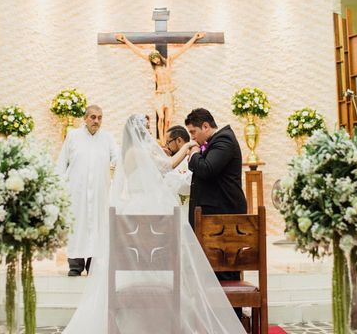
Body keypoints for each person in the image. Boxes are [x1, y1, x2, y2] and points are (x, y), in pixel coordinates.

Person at [62, 114, 245, 333]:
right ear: (140, 132)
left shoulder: (129, 153)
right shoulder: (141, 152)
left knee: (140, 262)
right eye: (147, 129)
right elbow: (167, 166)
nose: (150, 133)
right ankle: (163, 318)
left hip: (134, 208)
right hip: (151, 209)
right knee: (165, 260)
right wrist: (187, 146)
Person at [56, 105, 118, 277]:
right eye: (92, 117)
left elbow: (118, 157)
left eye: (99, 117)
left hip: (99, 193)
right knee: (77, 227)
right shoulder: (73, 136)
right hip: (76, 192)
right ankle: (75, 265)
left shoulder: (107, 138)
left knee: (97, 227)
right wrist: (58, 188)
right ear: (85, 118)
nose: (96, 121)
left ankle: (93, 265)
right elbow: (62, 163)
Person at [115, 32, 205, 144]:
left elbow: (182, 49)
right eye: (153, 60)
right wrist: (125, 40)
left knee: (167, 121)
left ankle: (166, 141)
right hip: (159, 94)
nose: (155, 61)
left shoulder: (168, 61)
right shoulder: (154, 68)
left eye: (156, 58)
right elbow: (138, 52)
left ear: (158, 56)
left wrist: (194, 37)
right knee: (161, 118)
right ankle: (161, 141)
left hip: (168, 94)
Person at [184, 108, 247, 229]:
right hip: (214, 212)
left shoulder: (224, 140)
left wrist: (194, 154)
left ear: (205, 126)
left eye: (193, 132)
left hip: (223, 212)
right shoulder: (213, 141)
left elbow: (207, 169)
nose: (192, 137)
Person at [162, 125, 195, 201]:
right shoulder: (170, 159)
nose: (167, 146)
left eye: (168, 142)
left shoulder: (192, 158)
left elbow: (187, 186)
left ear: (179, 141)